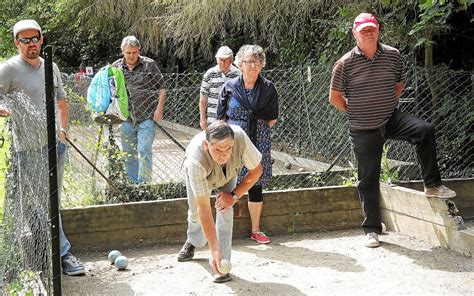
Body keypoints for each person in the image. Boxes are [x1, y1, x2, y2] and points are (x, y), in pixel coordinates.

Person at [329, 13, 456, 248]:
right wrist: (356, 111)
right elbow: (334, 97)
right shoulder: (344, 63)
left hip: (391, 118)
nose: (368, 32)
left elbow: (399, 85)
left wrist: (385, 105)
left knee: (424, 130)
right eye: (363, 29)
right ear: (354, 33)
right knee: (368, 178)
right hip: (363, 127)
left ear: (378, 31)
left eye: (372, 29)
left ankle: (432, 185)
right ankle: (371, 230)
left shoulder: (393, 55)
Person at [0, 19, 85, 275]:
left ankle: (50, 256)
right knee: (39, 204)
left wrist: (63, 132)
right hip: (28, 150)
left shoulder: (52, 67)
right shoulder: (9, 69)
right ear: (17, 43)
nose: (30, 44)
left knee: (51, 202)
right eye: (24, 40)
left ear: (41, 39)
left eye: (34, 39)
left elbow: (61, 99)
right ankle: (62, 254)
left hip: (55, 147)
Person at [177, 121, 263, 283]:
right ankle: (194, 240)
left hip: (228, 174)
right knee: (195, 212)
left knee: (225, 209)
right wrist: (213, 248)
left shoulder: (240, 138)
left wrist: (234, 196)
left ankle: (221, 264)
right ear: (206, 144)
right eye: (217, 150)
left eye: (228, 149)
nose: (223, 155)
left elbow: (257, 170)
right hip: (202, 175)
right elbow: (204, 208)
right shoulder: (195, 160)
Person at [216, 45, 279, 244]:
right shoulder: (229, 87)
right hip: (232, 139)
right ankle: (223, 232)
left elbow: (272, 118)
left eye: (256, 62)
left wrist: (257, 132)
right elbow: (222, 116)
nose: (252, 66)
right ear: (240, 64)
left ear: (261, 66)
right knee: (228, 181)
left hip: (259, 138)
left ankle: (256, 230)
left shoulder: (268, 88)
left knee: (255, 183)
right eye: (248, 62)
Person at [112, 36, 167, 184]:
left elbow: (162, 87)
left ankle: (145, 185)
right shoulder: (116, 67)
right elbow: (110, 90)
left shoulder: (149, 65)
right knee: (129, 152)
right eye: (128, 52)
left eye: (134, 52)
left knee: (144, 150)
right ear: (123, 51)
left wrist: (159, 108)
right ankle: (132, 183)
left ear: (139, 51)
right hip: (125, 118)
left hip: (146, 117)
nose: (131, 56)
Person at [199, 46, 240, 130]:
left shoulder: (238, 74)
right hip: (213, 119)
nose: (222, 63)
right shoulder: (209, 74)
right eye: (220, 60)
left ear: (231, 60)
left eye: (225, 60)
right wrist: (203, 119)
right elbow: (203, 98)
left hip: (232, 119)